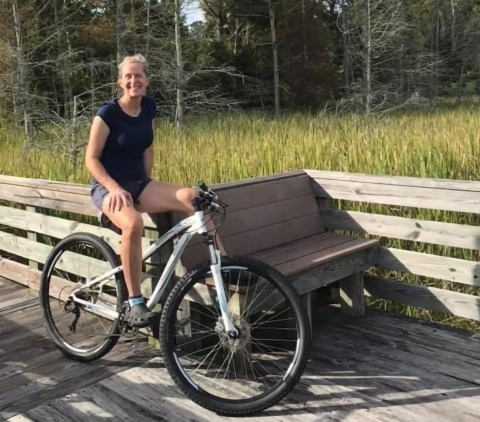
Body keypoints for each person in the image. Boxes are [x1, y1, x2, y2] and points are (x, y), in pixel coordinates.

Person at [85, 53, 221, 328]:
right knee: (133, 223)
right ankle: (134, 302)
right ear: (120, 82)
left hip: (137, 183)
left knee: (193, 198)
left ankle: (223, 266)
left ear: (147, 80)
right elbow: (91, 159)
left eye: (139, 75)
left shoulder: (148, 107)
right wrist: (113, 188)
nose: (134, 80)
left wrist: (148, 183)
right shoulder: (107, 113)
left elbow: (147, 146)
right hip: (107, 186)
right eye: (128, 76)